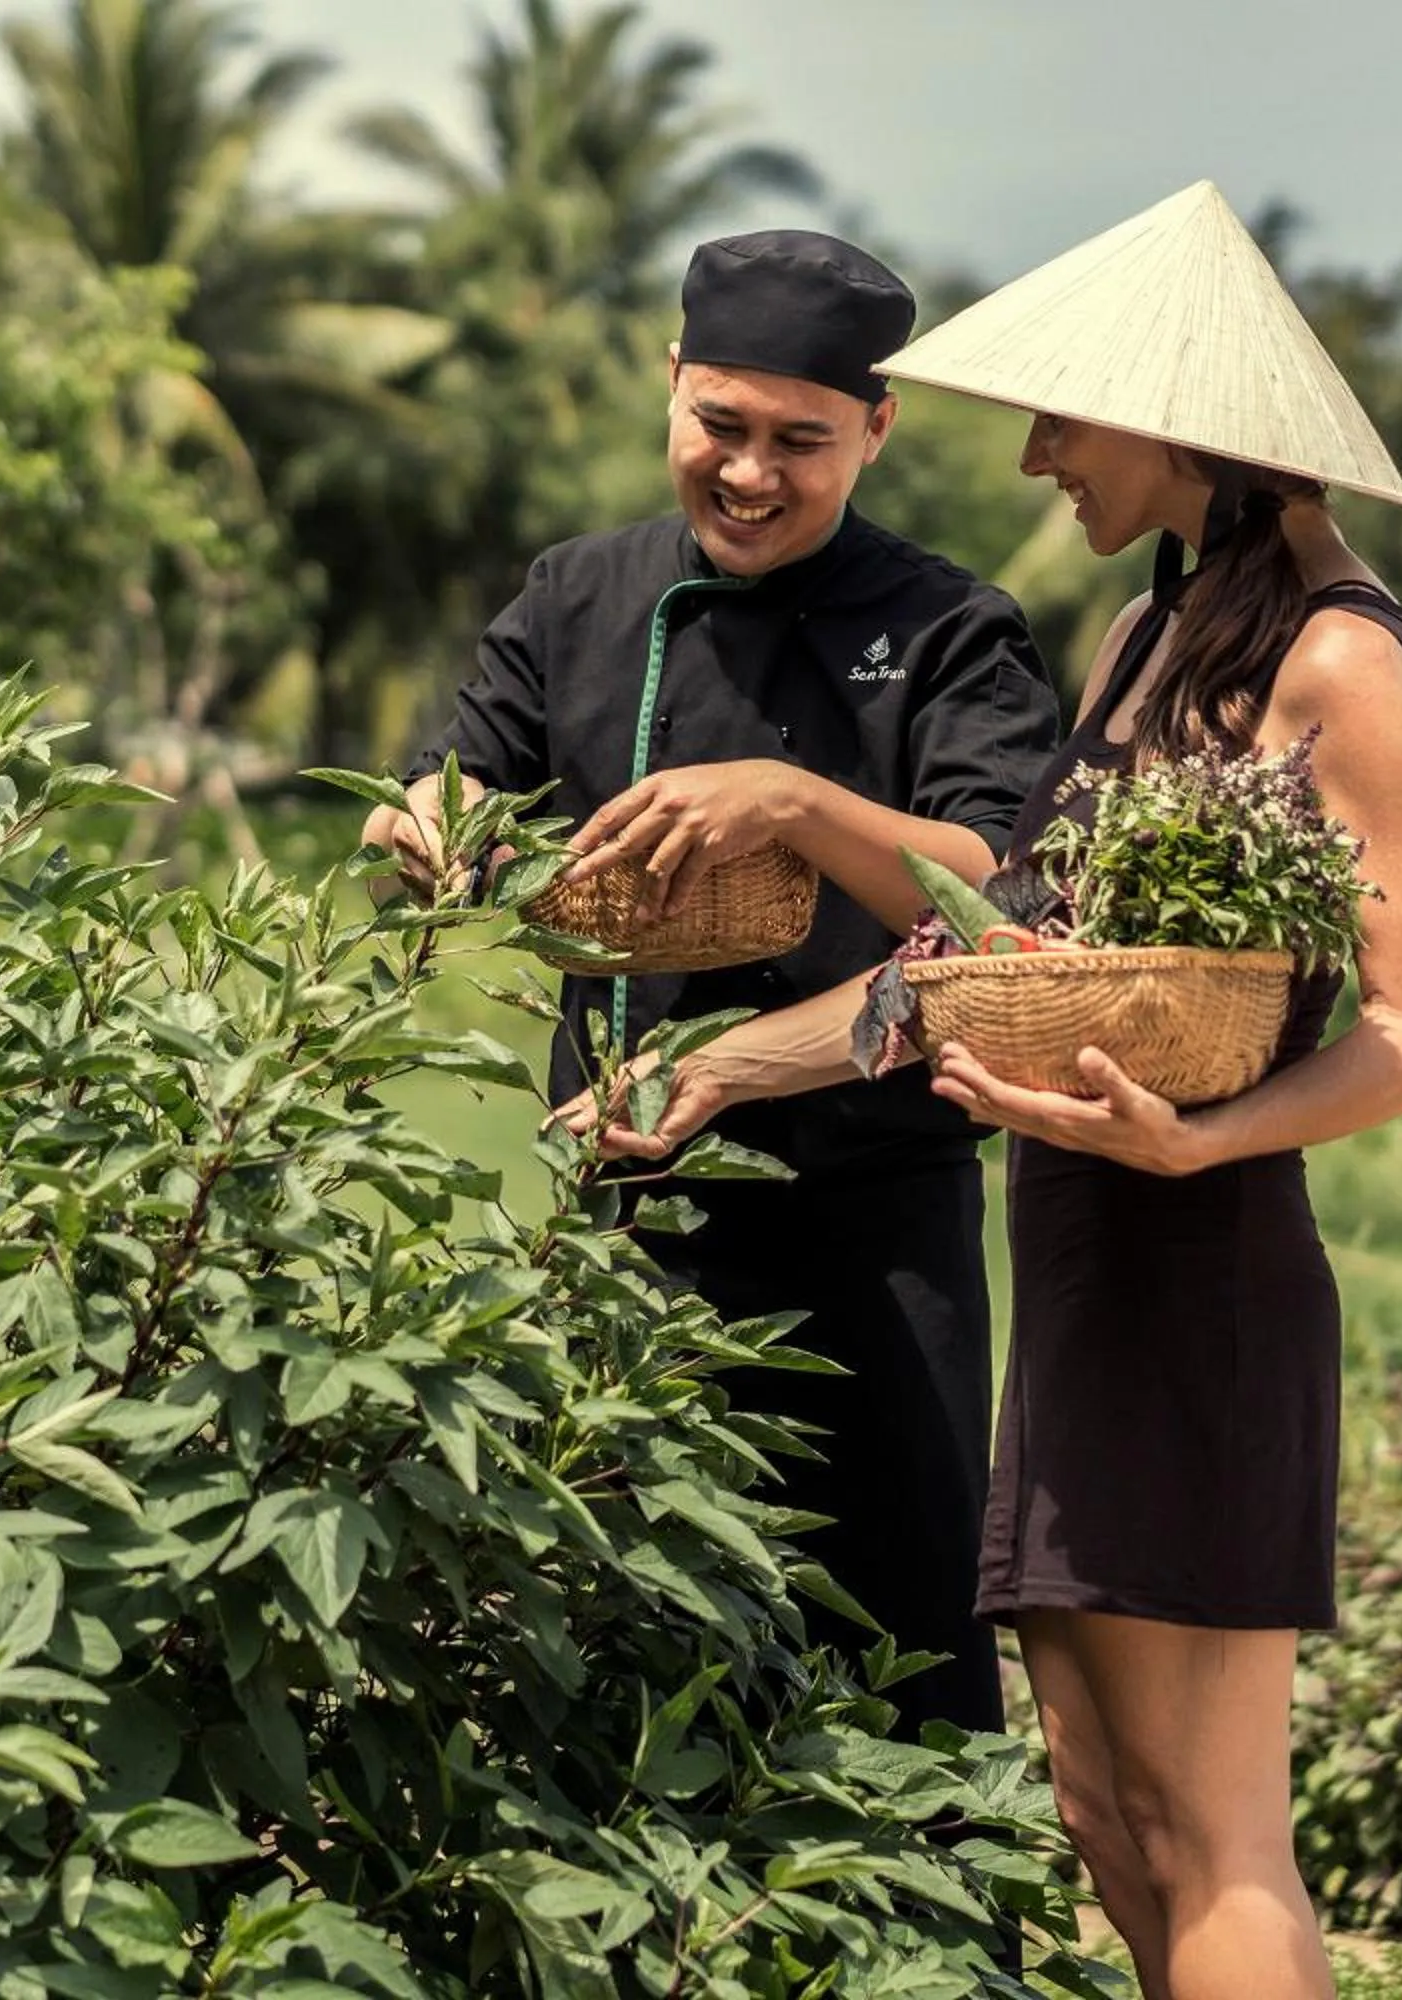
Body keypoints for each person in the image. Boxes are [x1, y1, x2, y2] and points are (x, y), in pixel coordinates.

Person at [554, 182, 1402, 2000]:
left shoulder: (1339, 656)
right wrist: (723, 1064)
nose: (1039, 451)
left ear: (1175, 421)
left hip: (1199, 1266)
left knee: (1213, 1831)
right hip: (1080, 1252)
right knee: (1106, 1804)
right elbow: (1000, 952)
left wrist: (1197, 1132)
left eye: (1063, 411)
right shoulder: (1153, 640)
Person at [361, 228, 1061, 1746]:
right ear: (668, 382)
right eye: (719, 427)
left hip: (871, 1228)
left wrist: (794, 806)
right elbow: (444, 783)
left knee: (897, 1654)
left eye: (800, 442)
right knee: (613, 1648)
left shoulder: (952, 631)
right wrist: (428, 827)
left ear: (879, 429)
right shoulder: (579, 596)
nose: (749, 475)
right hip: (624, 1204)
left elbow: (1001, 902)